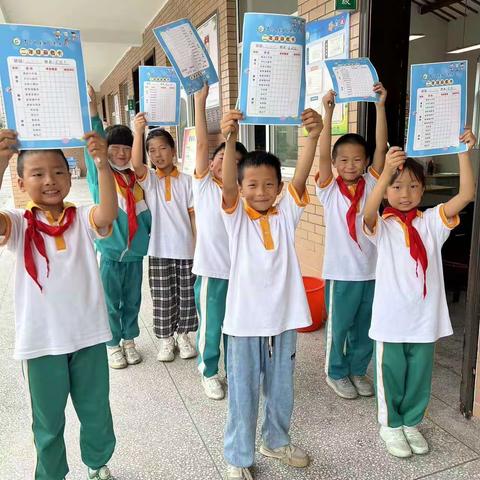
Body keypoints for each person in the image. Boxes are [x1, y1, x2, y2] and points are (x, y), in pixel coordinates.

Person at [0, 129, 118, 480]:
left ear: (70, 176)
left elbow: (109, 212)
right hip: (41, 343)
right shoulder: (20, 223)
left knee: (96, 410)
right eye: (37, 174)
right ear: (21, 183)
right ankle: (52, 475)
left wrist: (103, 164)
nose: (50, 181)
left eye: (58, 172)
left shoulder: (81, 217)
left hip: (89, 336)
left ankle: (97, 465)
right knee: (48, 421)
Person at [220, 108, 323, 480]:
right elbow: (229, 185)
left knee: (282, 388)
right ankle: (239, 456)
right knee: (243, 391)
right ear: (241, 187)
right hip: (245, 321)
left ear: (278, 188)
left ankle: (276, 441)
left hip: (283, 319)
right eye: (252, 185)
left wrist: (313, 136)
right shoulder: (235, 215)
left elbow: (302, 174)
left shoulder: (287, 212)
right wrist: (230, 138)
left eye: (268, 184)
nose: (260, 191)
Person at [363, 130, 476, 458]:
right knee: (391, 373)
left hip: (424, 319)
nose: (405, 193)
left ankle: (411, 422)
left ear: (423, 190)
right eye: (397, 187)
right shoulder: (382, 226)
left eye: (413, 186)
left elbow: (466, 193)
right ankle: (390, 425)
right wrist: (384, 174)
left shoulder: (431, 222)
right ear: (386, 192)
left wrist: (463, 152)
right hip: (390, 320)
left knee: (419, 376)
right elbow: (366, 215)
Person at [316, 84, 387, 399]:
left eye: (357, 160)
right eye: (343, 160)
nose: (350, 165)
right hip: (341, 274)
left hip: (371, 272)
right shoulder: (329, 190)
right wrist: (328, 113)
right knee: (339, 327)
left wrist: (380, 106)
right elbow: (321, 153)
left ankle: (358, 370)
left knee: (364, 328)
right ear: (334, 163)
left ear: (366, 161)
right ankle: (336, 372)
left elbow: (382, 149)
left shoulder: (372, 183)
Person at [86, 84, 151, 369]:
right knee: (111, 301)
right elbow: (95, 146)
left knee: (133, 299)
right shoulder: (102, 175)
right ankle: (113, 344)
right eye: (116, 148)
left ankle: (129, 340)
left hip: (135, 253)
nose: (122, 154)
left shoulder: (138, 177)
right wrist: (93, 111)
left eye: (127, 148)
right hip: (111, 254)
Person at [192, 84, 248, 400]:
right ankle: (208, 371)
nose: (225, 163)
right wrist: (200, 102)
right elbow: (202, 144)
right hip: (213, 272)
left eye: (234, 160)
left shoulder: (242, 194)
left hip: (240, 274)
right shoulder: (203, 186)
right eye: (222, 157)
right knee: (212, 327)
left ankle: (234, 370)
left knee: (235, 328)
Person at [132, 114, 197, 362]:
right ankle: (166, 340)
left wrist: (197, 246)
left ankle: (184, 336)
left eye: (162, 148)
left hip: (186, 250)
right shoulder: (149, 180)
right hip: (158, 249)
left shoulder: (188, 181)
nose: (157, 154)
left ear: (173, 150)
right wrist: (139, 131)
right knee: (162, 297)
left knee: (186, 296)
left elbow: (193, 218)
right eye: (152, 150)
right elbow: (136, 165)